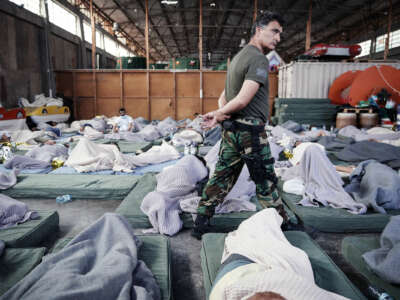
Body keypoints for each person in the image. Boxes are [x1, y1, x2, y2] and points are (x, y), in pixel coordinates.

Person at [192, 11, 286, 239]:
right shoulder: (258, 59)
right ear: (259, 30)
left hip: (232, 130)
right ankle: (284, 226)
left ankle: (201, 222)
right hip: (250, 132)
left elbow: (224, 97)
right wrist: (218, 113)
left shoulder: (239, 57)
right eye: (274, 31)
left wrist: (221, 115)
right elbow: (242, 99)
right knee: (265, 179)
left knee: (221, 176)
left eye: (281, 34)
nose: (278, 38)